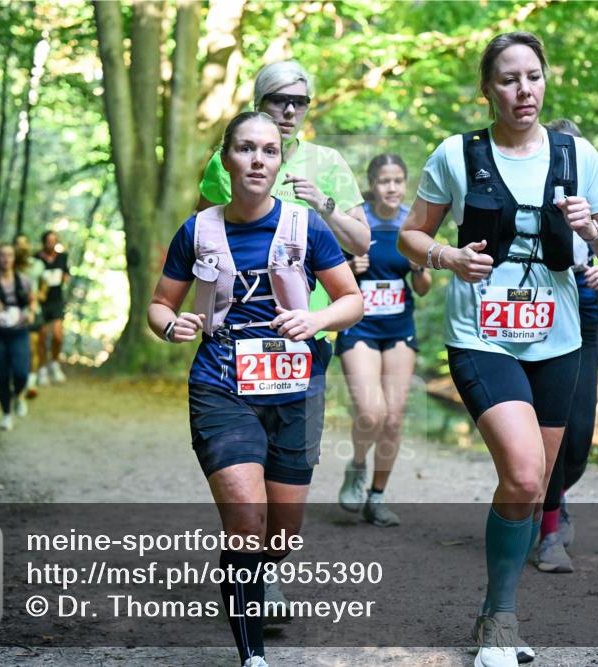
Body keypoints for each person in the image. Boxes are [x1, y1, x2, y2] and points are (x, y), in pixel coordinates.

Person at [397, 32, 598, 667]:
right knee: (526, 471)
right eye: (508, 78)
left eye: (532, 76)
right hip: (481, 335)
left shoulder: (576, 154)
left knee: (530, 490)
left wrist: (591, 229)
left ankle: (491, 612)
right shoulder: (456, 154)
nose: (523, 90)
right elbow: (411, 237)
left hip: (558, 341)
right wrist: (447, 255)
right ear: (487, 89)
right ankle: (501, 623)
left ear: (545, 81)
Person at [150, 111, 362, 667]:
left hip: (294, 387)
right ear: (226, 158)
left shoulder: (305, 226)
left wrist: (316, 321)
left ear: (279, 161)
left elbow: (351, 299)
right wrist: (173, 325)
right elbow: (159, 304)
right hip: (221, 383)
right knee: (247, 516)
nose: (257, 160)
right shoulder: (198, 230)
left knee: (281, 535)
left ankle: (259, 579)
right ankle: (253, 655)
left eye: (268, 151)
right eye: (245, 149)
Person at [196, 59, 370, 616]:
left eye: (300, 102)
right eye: (279, 100)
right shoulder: (225, 162)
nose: (290, 110)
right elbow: (204, 239)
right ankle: (255, 576)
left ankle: (267, 565)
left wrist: (323, 204)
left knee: (289, 475)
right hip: (237, 340)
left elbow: (363, 239)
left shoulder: (330, 164)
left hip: (308, 336)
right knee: (247, 463)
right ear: (258, 103)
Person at [534, 118, 598, 574]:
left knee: (577, 437)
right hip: (534, 305)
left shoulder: (591, 189)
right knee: (541, 429)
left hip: (584, 304)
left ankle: (557, 494)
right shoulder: (530, 185)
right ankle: (548, 531)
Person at [336, 154, 431, 526]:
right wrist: (349, 267)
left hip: (398, 328)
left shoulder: (414, 222)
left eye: (397, 181)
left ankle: (377, 496)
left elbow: (422, 289)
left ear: (405, 184)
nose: (391, 188)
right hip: (359, 325)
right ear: (372, 184)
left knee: (392, 419)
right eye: (383, 181)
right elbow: (327, 275)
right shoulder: (355, 220)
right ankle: (357, 467)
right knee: (370, 413)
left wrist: (419, 265)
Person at [0, 243, 36, 430]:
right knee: (3, 375)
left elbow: (32, 302)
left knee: (21, 373)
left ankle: (18, 394)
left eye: (9, 255)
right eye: (2, 255)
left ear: (14, 258)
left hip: (18, 333)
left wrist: (31, 313)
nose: (6, 259)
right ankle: (6, 414)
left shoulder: (24, 281)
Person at [34, 230, 70, 385]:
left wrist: (63, 278)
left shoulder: (62, 257)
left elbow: (67, 276)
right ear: (44, 242)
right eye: (49, 240)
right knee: (41, 337)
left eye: (54, 240)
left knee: (57, 335)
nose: (51, 243)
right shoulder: (36, 259)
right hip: (41, 303)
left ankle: (55, 363)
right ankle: (41, 369)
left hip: (56, 301)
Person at [14, 234, 47, 398]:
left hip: (34, 311)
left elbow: (45, 283)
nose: (22, 247)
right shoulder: (9, 267)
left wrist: (40, 295)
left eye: (24, 243)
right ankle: (17, 381)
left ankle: (31, 384)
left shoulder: (38, 265)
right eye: (18, 244)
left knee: (33, 346)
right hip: (13, 314)